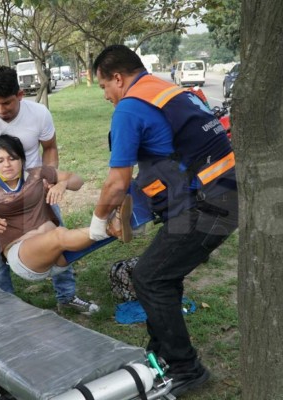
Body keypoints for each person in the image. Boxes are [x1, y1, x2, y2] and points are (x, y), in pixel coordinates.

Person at [90, 45, 239, 397]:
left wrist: (98, 221)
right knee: (163, 273)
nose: (106, 96)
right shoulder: (169, 92)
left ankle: (186, 366)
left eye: (103, 87)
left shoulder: (130, 107)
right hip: (224, 195)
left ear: (117, 78)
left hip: (207, 206)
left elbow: (116, 182)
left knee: (149, 277)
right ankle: (160, 354)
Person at [0, 66, 100, 314]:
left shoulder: (39, 114)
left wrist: (51, 179)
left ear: (20, 94)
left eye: (7, 103)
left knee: (59, 237)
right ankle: (7, 309)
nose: (1, 110)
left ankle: (67, 297)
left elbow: (51, 147)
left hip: (36, 189)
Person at [0, 134, 132, 281]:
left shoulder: (37, 173)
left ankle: (121, 226)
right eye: (0, 160)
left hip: (59, 256)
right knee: (59, 234)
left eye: (12, 158)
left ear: (22, 160)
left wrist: (63, 184)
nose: (6, 164)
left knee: (61, 235)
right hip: (24, 257)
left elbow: (77, 181)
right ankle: (110, 228)